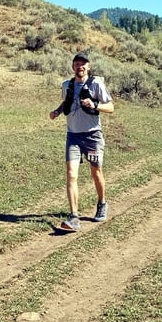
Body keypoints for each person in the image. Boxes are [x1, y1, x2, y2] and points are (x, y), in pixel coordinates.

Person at [49, 52, 114, 231]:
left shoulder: (96, 84)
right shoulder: (67, 85)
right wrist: (57, 111)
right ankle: (74, 217)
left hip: (93, 137)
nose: (80, 66)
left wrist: (95, 105)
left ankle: (102, 203)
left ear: (89, 66)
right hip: (73, 136)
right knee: (71, 174)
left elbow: (111, 107)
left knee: (96, 172)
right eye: (77, 64)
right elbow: (65, 102)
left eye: (83, 64)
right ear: (73, 67)